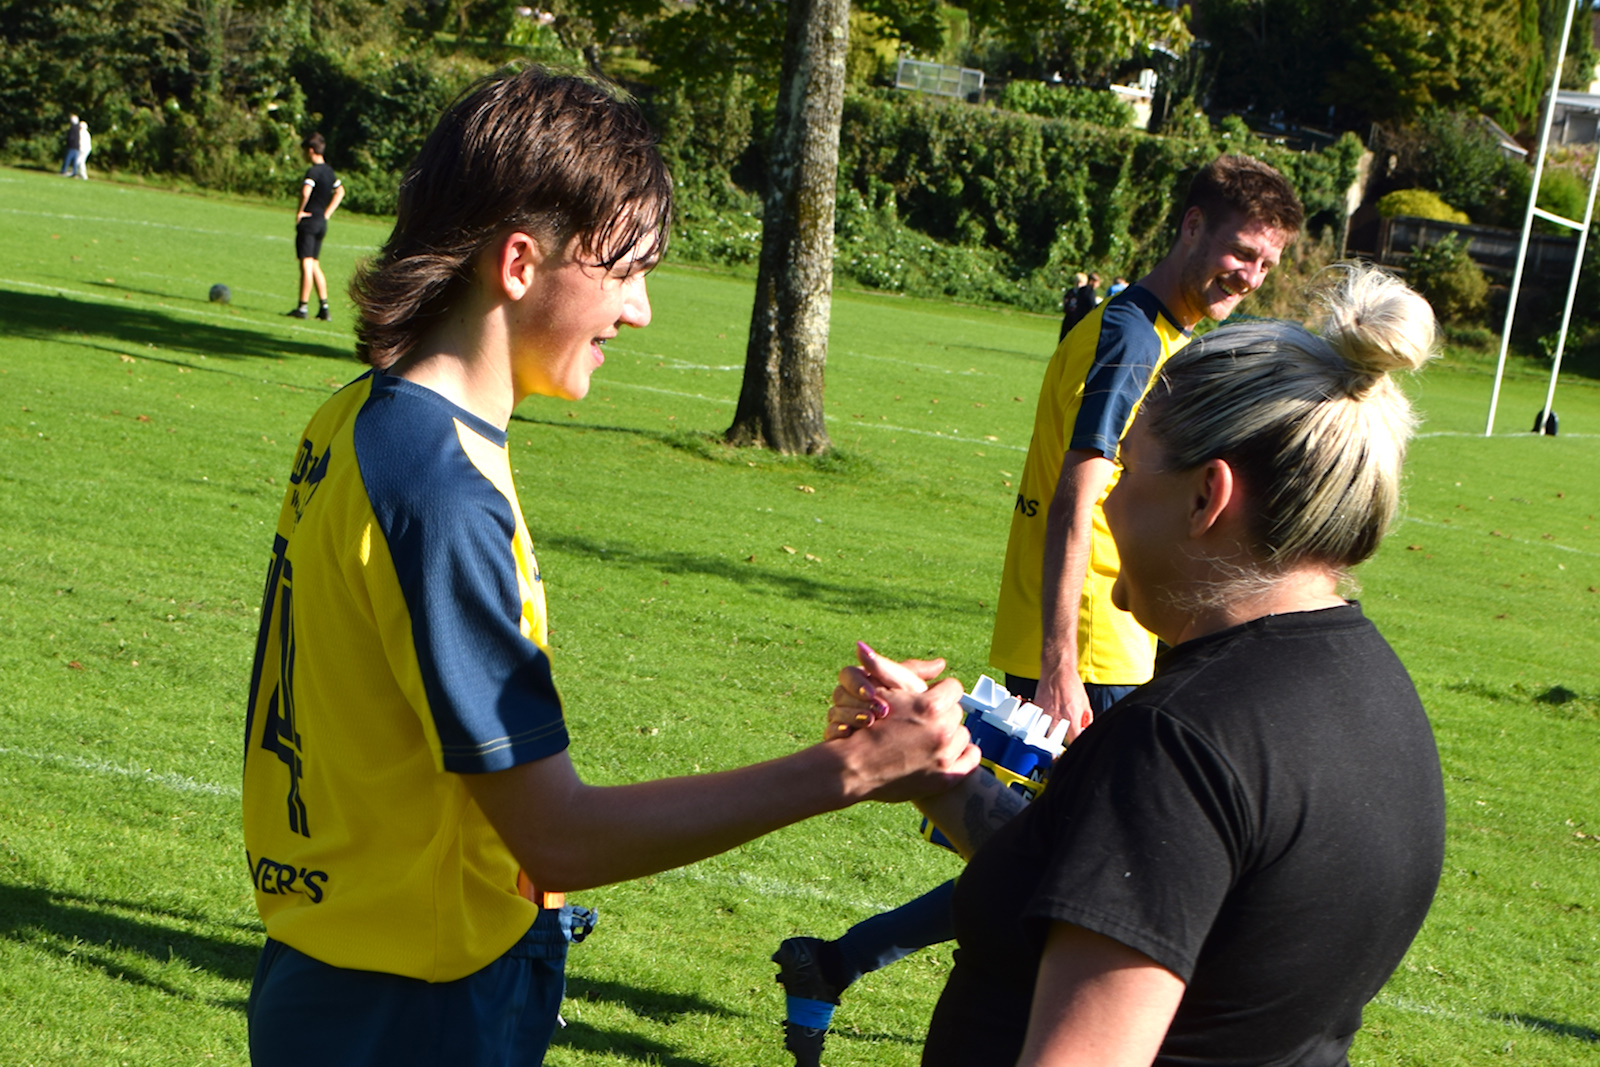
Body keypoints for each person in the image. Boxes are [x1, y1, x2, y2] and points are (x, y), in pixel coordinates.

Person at [241, 66, 978, 1067]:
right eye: (624, 271)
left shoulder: (367, 417)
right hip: (412, 1003)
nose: (638, 312)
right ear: (517, 264)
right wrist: (852, 768)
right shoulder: (441, 489)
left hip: (356, 973)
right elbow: (558, 835)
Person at [771, 155, 1303, 1067]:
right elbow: (1075, 498)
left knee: (1050, 859)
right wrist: (1063, 662)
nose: (1248, 277)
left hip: (1107, 634)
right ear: (1188, 229)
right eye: (1239, 252)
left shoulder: (1148, 328)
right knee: (1075, 871)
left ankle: (836, 963)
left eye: (1265, 263)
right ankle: (869, 974)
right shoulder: (1136, 338)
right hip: (1097, 641)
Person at [870, 264, 1446, 1065]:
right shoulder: (1377, 694)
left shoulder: (1176, 741)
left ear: (1208, 496)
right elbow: (1128, 888)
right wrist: (948, 780)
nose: (1105, 501)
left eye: (1130, 471)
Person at [286, 132, 344, 320]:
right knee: (315, 264)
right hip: (321, 222)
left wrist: (300, 211)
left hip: (310, 221)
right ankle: (324, 308)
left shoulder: (314, 171)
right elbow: (340, 192)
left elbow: (305, 191)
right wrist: (327, 213)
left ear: (310, 150)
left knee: (306, 263)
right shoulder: (329, 171)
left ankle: (302, 308)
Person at [1057, 271, 1090, 341]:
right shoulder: (1071, 292)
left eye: (1081, 283)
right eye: (1077, 282)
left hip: (1078, 317)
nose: (1079, 285)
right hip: (1069, 315)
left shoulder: (1085, 293)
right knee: (1063, 334)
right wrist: (1065, 307)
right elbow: (1065, 299)